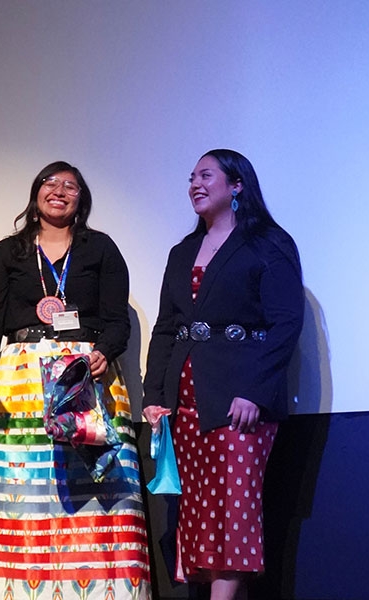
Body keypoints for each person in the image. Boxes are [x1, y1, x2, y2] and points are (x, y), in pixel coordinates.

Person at [0, 161, 151, 600]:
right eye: (50, 183)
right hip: (21, 385)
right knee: (25, 494)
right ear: (35, 192)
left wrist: (104, 353)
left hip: (86, 377)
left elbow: (117, 322)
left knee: (94, 492)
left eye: (70, 186)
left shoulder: (101, 249)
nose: (59, 191)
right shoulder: (9, 251)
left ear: (82, 198)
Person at [142, 149, 304, 600]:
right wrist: (154, 394)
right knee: (200, 515)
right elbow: (166, 327)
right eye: (191, 176)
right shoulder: (182, 252)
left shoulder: (268, 243)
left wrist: (255, 391)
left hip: (240, 401)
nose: (195, 183)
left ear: (236, 185)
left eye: (206, 175)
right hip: (187, 401)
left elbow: (286, 322)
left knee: (234, 513)